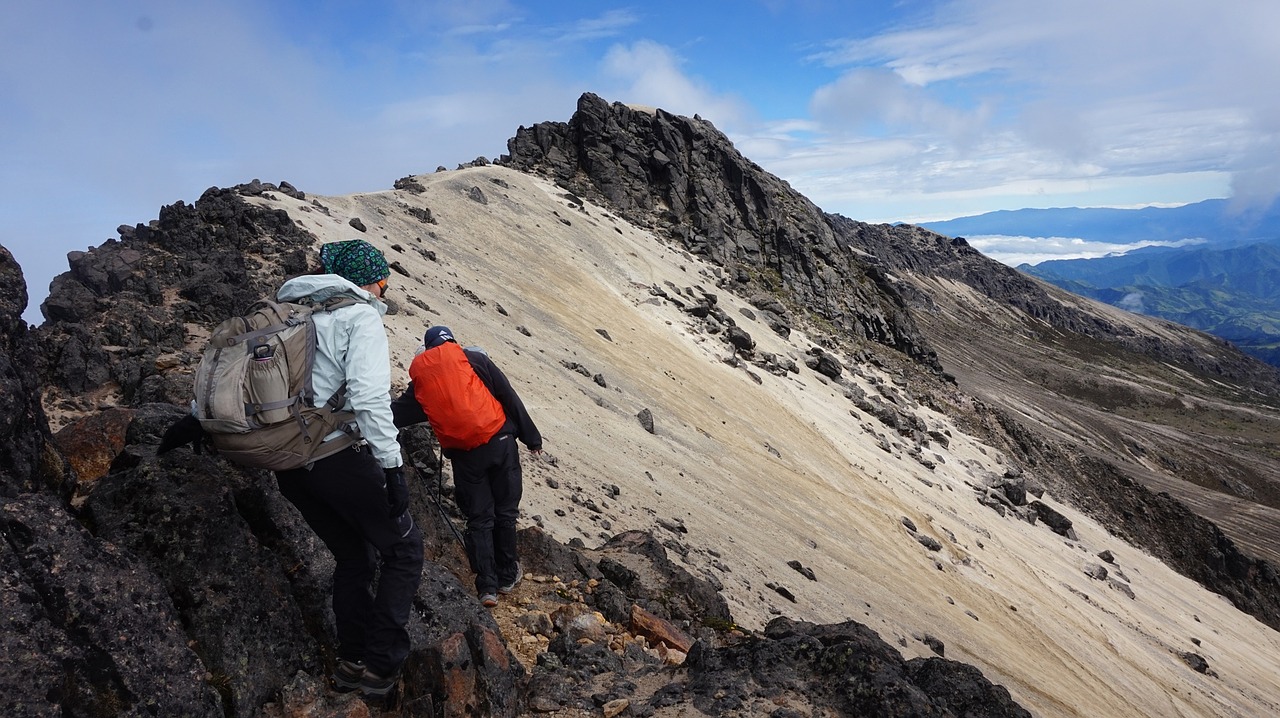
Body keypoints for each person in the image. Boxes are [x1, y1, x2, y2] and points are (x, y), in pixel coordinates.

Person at [271, 239, 424, 697]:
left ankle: (351, 662)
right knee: (404, 550)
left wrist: (199, 420)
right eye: (383, 277)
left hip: (289, 465)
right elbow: (369, 396)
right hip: (335, 455)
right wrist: (393, 467)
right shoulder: (359, 317)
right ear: (367, 279)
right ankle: (380, 668)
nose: (385, 286)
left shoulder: (290, 315)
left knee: (355, 556)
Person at [392, 325, 541, 608]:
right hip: (500, 442)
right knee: (506, 512)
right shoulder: (475, 359)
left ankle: (487, 588)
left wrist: (361, 419)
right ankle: (508, 575)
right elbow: (508, 396)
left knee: (479, 518)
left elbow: (398, 414)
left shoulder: (424, 379)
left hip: (465, 456)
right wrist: (531, 437)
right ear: (452, 343)